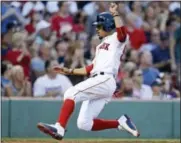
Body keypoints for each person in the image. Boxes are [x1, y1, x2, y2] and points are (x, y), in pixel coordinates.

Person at [37, 3, 140, 140]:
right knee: (84, 124)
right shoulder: (99, 47)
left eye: (99, 25)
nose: (97, 28)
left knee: (70, 93)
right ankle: (120, 122)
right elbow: (90, 68)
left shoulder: (117, 38)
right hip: (100, 80)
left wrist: (115, 14)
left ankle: (59, 127)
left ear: (107, 25)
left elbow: (122, 33)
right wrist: (69, 70)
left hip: (105, 79)